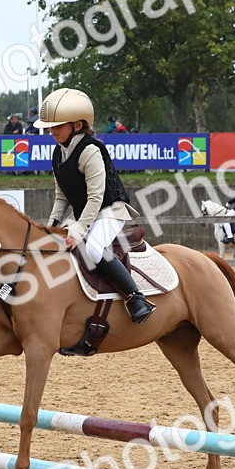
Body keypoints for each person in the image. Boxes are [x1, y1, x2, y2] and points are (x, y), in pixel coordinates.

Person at [36, 86, 153, 326]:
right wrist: (50, 228)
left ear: (77, 125)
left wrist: (78, 231)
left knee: (93, 250)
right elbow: (61, 198)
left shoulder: (90, 150)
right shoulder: (59, 153)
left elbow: (96, 197)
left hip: (110, 210)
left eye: (58, 126)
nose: (51, 131)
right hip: (86, 214)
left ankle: (136, 298)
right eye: (50, 127)